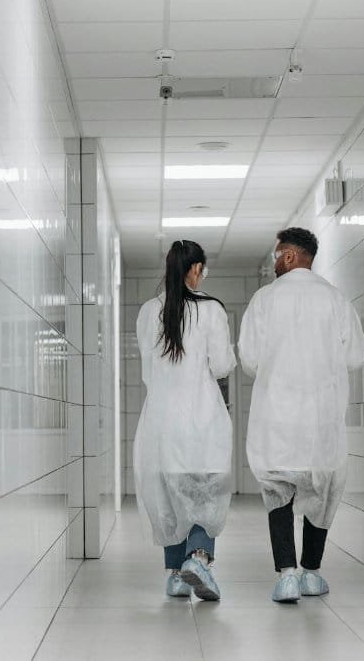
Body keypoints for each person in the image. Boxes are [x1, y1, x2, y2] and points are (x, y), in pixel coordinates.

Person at [239, 227, 364, 603]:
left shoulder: (264, 300)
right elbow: (357, 356)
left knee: (278, 491)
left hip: (278, 415)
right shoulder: (336, 299)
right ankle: (312, 572)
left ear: (291, 256)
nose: (274, 262)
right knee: (323, 490)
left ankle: (287, 575)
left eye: (277, 255)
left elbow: (249, 360)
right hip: (322, 417)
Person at [134, 240, 236, 601]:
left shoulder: (149, 311)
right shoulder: (211, 310)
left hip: (161, 419)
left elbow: (148, 370)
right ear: (195, 270)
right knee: (204, 492)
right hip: (202, 415)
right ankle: (198, 558)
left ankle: (176, 575)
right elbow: (222, 365)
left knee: (170, 497)